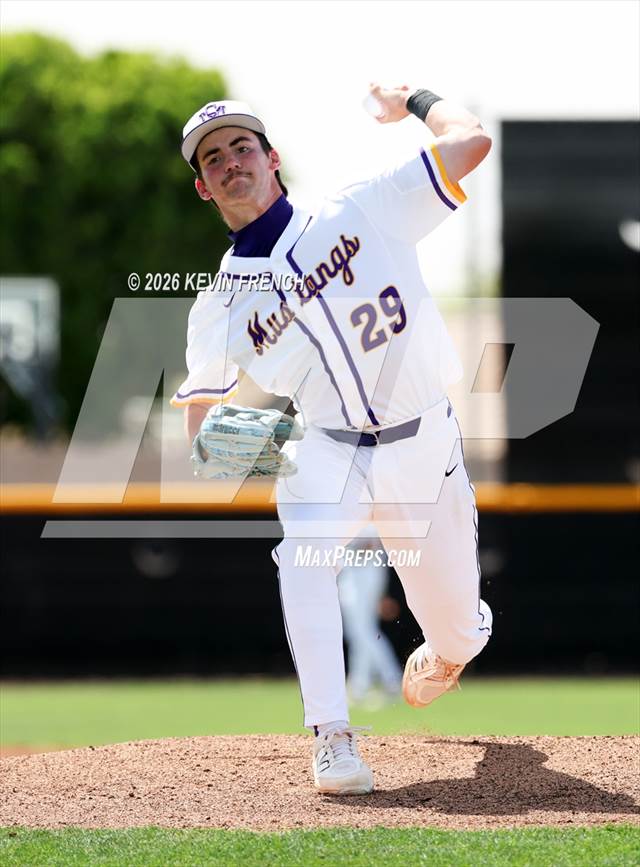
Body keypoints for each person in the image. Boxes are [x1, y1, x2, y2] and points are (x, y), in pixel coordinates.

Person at [172, 84, 493, 795]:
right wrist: (288, 456)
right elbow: (200, 429)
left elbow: (471, 143)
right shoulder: (220, 302)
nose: (231, 163)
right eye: (214, 158)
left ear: (271, 156)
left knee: (459, 633)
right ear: (203, 187)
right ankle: (332, 738)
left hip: (424, 446)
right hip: (329, 448)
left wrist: (411, 98)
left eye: (241, 146)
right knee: (303, 556)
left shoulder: (359, 208)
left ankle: (451, 647)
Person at [337, 531, 402, 704]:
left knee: (363, 632)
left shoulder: (368, 514)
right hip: (350, 574)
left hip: (366, 574)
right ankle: (359, 684)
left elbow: (369, 546)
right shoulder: (346, 512)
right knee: (358, 634)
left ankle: (392, 678)